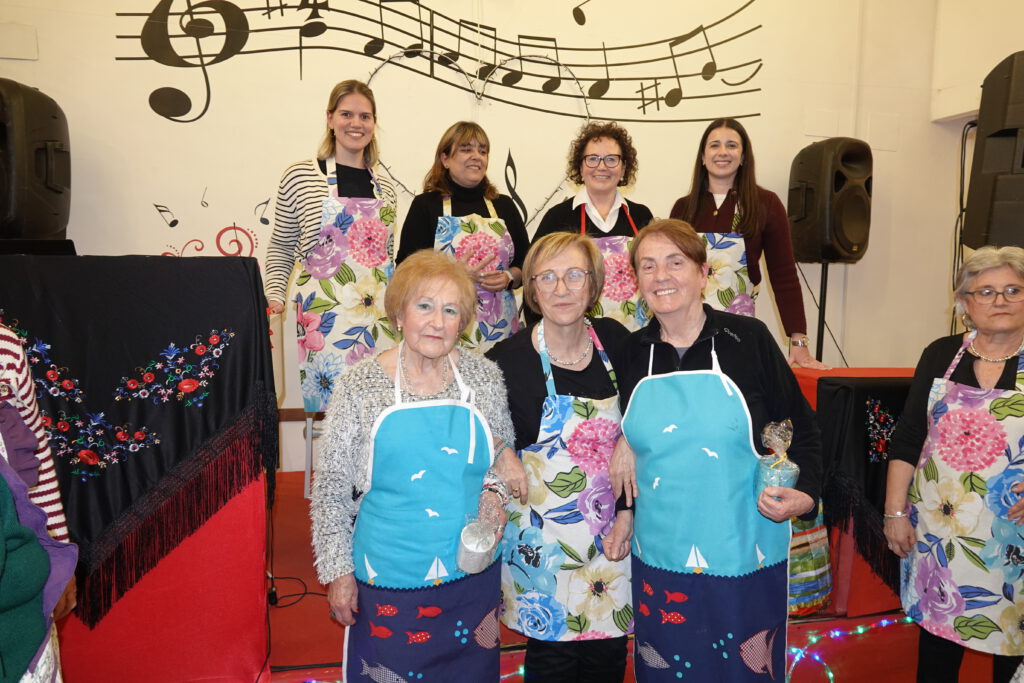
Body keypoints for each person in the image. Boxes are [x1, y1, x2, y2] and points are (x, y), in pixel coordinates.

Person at [609, 219, 821, 682]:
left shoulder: (748, 340)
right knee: (669, 668)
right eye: (648, 266)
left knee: (741, 668)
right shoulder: (631, 352)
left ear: (703, 273)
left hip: (742, 549)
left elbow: (801, 426)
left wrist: (806, 493)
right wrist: (624, 443)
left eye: (675, 263)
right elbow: (631, 431)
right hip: (660, 551)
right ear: (637, 280)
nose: (661, 276)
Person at [311, 250, 528, 682]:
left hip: (470, 578)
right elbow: (331, 489)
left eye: (450, 310)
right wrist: (338, 573)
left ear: (463, 321)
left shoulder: (484, 377)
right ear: (399, 314)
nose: (437, 322)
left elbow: (498, 464)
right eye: (424, 306)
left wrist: (493, 499)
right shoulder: (360, 385)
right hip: (388, 579)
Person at [486, 233, 633, 682]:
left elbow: (646, 415)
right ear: (531, 288)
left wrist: (629, 448)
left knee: (608, 655)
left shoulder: (617, 342)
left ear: (594, 284)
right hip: (544, 545)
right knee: (552, 661)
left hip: (613, 532)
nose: (561, 288)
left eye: (574, 275)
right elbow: (477, 422)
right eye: (546, 277)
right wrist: (501, 449)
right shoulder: (507, 359)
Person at [885, 246, 1024, 683]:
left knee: (1014, 642)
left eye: (1013, 290)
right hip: (940, 533)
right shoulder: (941, 354)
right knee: (939, 642)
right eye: (985, 291)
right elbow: (909, 437)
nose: (999, 300)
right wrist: (894, 513)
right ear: (965, 303)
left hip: (1014, 534)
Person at [263, 79, 399, 412]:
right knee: (332, 405)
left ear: (374, 123)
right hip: (323, 315)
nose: (356, 123)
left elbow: (389, 256)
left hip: (379, 315)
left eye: (365, 116)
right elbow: (281, 244)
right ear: (330, 119)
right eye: (346, 114)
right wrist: (274, 295)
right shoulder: (300, 176)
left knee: (380, 404)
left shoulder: (386, 186)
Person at [669, 117, 827, 370]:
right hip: (685, 331)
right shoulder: (683, 208)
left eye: (732, 145)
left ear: (743, 157)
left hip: (737, 332)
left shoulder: (766, 204)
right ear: (702, 157)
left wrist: (798, 341)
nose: (723, 152)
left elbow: (784, 276)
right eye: (714, 145)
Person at [397, 121, 529, 352]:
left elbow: (527, 264)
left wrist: (509, 276)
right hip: (441, 328)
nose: (476, 156)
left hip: (501, 330)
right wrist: (453, 275)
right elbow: (405, 270)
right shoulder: (426, 205)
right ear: (445, 159)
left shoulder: (504, 206)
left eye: (483, 151)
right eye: (466, 149)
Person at [533, 122, 653, 331]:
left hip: (637, 333)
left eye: (611, 159)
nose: (602, 166)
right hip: (576, 335)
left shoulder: (641, 216)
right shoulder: (557, 218)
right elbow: (536, 281)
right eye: (593, 158)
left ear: (624, 168)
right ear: (580, 167)